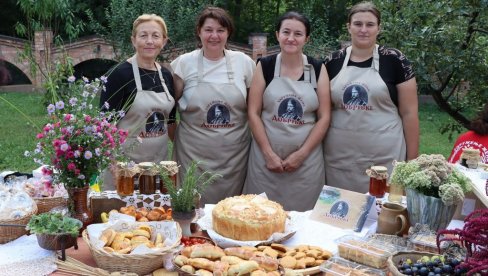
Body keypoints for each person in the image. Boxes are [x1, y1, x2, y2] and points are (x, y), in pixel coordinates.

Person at [323, 1, 419, 194]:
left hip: (384, 160)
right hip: (339, 161)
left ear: (379, 28)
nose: (363, 30)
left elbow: (410, 113)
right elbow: (323, 112)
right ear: (348, 27)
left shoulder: (395, 60)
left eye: (370, 24)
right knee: (339, 215)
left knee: (381, 216)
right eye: (358, 24)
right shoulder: (332, 62)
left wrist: (412, 161)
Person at [243, 11, 331, 211]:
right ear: (277, 35)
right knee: (259, 219)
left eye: (298, 34)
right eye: (286, 32)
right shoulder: (265, 66)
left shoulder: (317, 68)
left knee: (305, 226)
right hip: (265, 163)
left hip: (306, 164)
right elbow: (253, 112)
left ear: (307, 38)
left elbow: (324, 117)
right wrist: (268, 154)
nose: (291, 38)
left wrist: (302, 154)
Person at [171, 7, 255, 205]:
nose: (214, 36)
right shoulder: (183, 64)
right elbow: (168, 109)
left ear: (228, 33)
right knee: (191, 212)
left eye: (221, 30)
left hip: (235, 158)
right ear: (199, 32)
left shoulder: (244, 63)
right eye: (208, 30)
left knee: (233, 212)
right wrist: (181, 139)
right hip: (192, 157)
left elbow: (255, 109)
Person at [99, 14, 176, 190]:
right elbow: (104, 127)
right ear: (134, 40)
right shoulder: (118, 75)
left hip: (159, 167)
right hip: (125, 169)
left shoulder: (166, 75)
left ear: (163, 41)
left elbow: (170, 121)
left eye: (156, 36)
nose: (150, 41)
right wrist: (114, 167)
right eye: (143, 35)